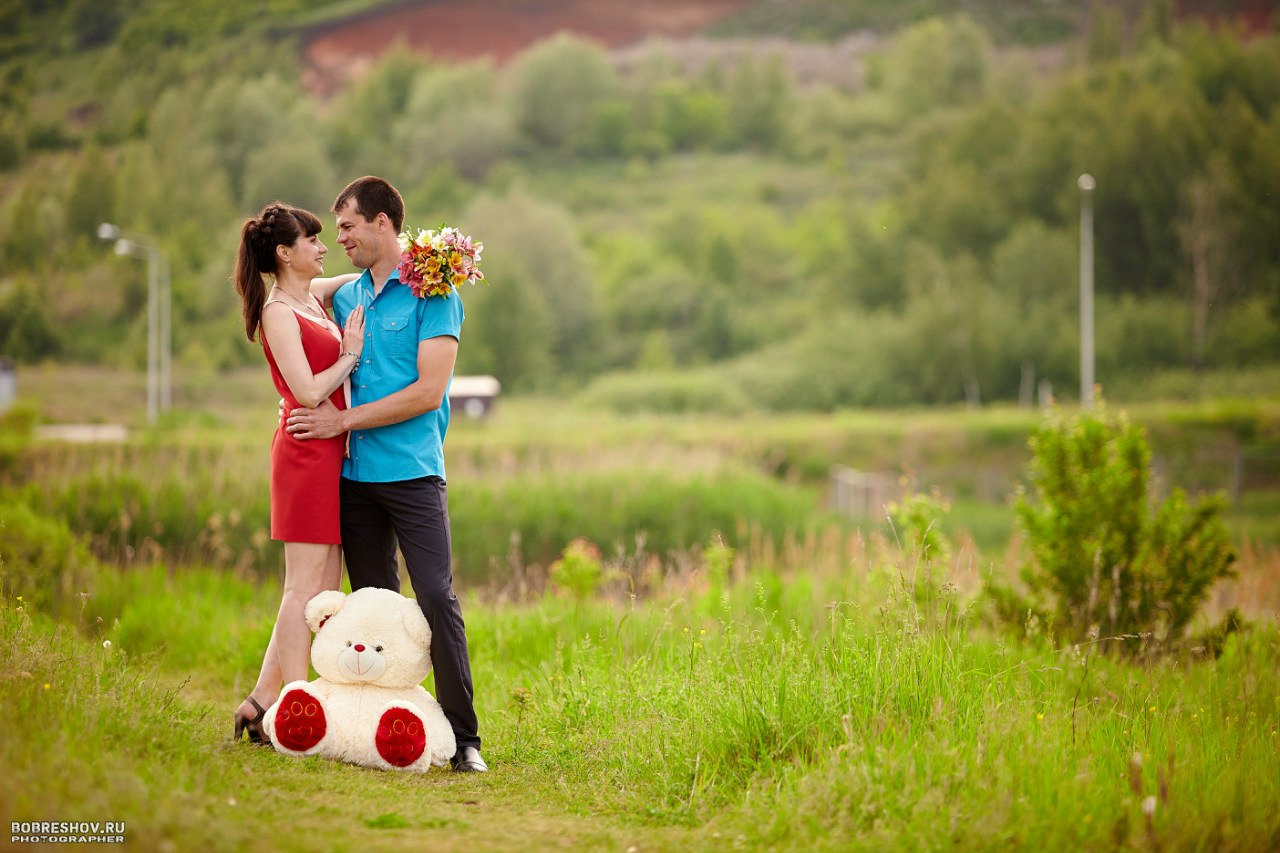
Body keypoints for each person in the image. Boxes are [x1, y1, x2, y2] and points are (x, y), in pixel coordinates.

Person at [285, 176, 487, 773]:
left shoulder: (435, 293)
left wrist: (339, 419)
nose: (339, 237)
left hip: (413, 474)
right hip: (354, 478)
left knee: (434, 598)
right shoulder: (349, 298)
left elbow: (428, 392)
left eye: (347, 226)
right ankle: (380, 735)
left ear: (381, 223)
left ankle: (463, 737)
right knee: (371, 607)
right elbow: (291, 293)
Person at [231, 202, 365, 743]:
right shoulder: (278, 312)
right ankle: (298, 706)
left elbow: (366, 272)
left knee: (324, 586)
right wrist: (350, 355)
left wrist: (428, 259)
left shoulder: (314, 295)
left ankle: (259, 704)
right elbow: (308, 392)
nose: (322, 246)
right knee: (302, 589)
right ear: (284, 253)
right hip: (304, 451)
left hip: (328, 449)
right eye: (312, 240)